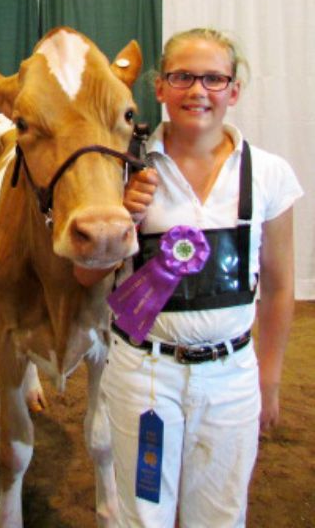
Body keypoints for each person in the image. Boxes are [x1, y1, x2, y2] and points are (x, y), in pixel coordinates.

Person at [99, 28, 303, 527]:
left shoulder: (268, 174)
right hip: (144, 375)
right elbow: (87, 281)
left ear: (234, 91)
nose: (198, 91)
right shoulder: (122, 170)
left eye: (214, 78)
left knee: (219, 516)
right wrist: (122, 218)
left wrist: (269, 379)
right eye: (183, 76)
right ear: (160, 87)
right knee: (142, 516)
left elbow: (278, 288)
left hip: (230, 377)